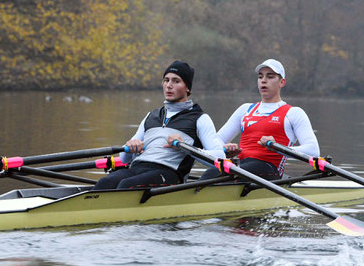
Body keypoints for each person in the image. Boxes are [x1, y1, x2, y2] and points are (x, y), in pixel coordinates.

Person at [93, 60, 225, 190]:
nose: (169, 85)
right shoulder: (151, 115)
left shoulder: (200, 118)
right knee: (105, 182)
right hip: (138, 167)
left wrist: (185, 148)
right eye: (166, 80)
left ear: (187, 88)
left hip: (169, 174)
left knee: (127, 185)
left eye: (176, 81)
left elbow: (220, 157)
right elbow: (124, 159)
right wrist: (131, 146)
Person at [200, 58, 319, 180]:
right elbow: (216, 141)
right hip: (243, 168)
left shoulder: (293, 113)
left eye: (270, 76)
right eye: (260, 77)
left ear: (282, 82)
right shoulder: (245, 109)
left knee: (218, 174)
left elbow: (313, 151)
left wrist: (277, 148)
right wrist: (224, 149)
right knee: (213, 171)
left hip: (268, 170)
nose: (263, 81)